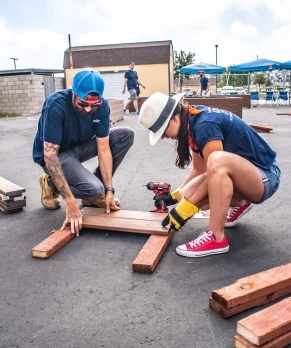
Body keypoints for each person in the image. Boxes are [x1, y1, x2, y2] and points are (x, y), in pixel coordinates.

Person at [139, 92, 281, 258]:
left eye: (163, 131)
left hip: (265, 177)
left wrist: (185, 209)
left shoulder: (204, 125)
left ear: (175, 119)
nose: (164, 137)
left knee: (215, 161)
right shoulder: (192, 122)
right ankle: (239, 203)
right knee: (186, 195)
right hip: (248, 176)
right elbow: (199, 171)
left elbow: (215, 169)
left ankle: (216, 237)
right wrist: (175, 197)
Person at [33, 68, 134, 236]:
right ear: (74, 93)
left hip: (80, 146)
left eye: (94, 105)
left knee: (125, 135)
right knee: (94, 189)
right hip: (58, 154)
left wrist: (109, 190)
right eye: (83, 103)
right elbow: (50, 156)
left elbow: (103, 148)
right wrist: (70, 203)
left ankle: (95, 195)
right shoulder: (56, 105)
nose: (88, 109)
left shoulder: (102, 108)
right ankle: (51, 183)